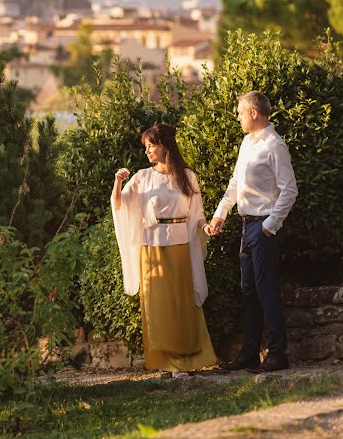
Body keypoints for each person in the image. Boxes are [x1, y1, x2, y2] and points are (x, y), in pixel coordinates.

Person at [112, 123, 217, 373]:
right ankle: (164, 364)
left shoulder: (187, 176)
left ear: (165, 145)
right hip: (152, 249)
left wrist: (206, 228)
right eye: (146, 147)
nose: (147, 151)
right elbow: (120, 205)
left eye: (151, 145)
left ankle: (191, 360)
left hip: (180, 246)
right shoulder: (142, 177)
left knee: (183, 304)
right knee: (158, 307)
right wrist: (118, 182)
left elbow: (197, 214)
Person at [207, 91, 298, 373]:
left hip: (263, 226)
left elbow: (290, 190)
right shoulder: (247, 142)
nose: (237, 117)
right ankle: (249, 355)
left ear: (254, 113)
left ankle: (278, 355)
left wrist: (270, 227)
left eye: (240, 113)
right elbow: (235, 182)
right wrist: (220, 214)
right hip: (247, 226)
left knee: (266, 289)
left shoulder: (275, 145)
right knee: (249, 291)